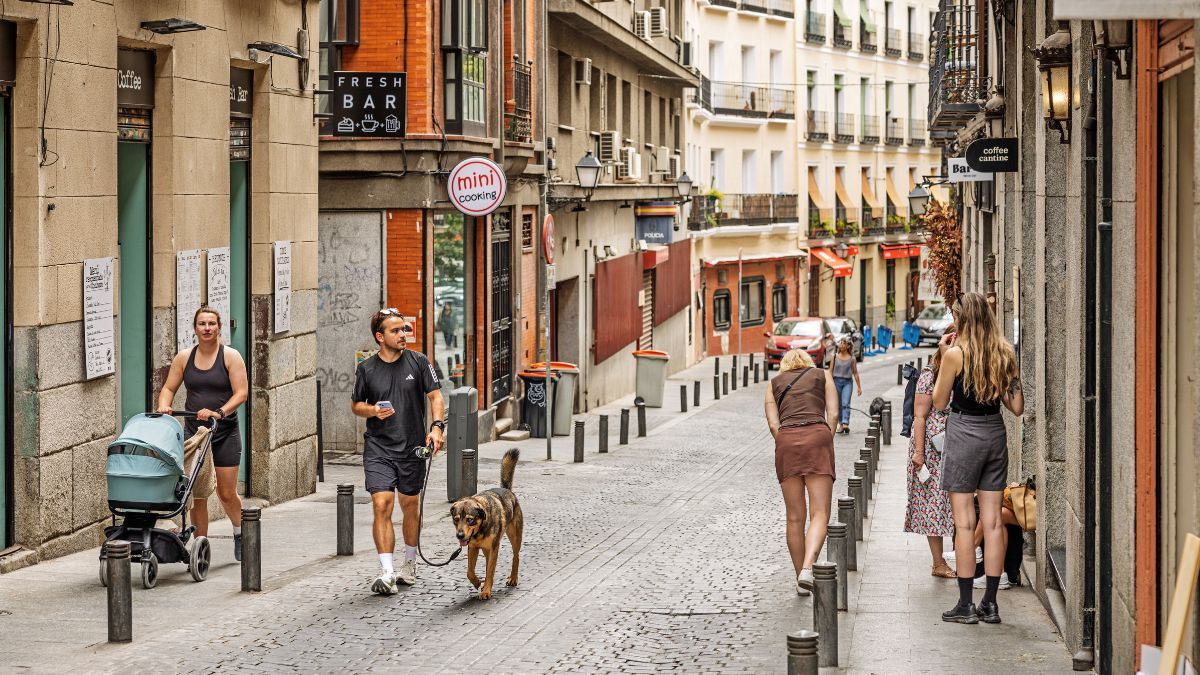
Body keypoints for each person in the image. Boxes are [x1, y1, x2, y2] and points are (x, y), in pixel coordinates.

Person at [932, 292, 1024, 625]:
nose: (954, 321)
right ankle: (991, 604)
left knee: (965, 523)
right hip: (994, 435)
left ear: (963, 319)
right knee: (994, 521)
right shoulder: (1005, 353)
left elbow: (940, 402)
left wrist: (944, 357)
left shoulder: (956, 354)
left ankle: (966, 605)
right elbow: (1017, 407)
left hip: (964, 436)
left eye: (955, 316)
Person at [351, 309, 446, 595]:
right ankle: (387, 571)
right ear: (380, 337)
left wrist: (437, 427)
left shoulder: (418, 362)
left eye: (403, 330)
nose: (403, 335)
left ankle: (410, 562)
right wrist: (372, 410)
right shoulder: (366, 369)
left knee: (409, 506)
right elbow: (356, 404)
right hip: (379, 447)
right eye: (395, 331)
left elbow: (436, 396)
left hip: (412, 447)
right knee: (381, 505)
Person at [157, 306, 249, 560]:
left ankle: (240, 532)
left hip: (224, 431)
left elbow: (241, 392)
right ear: (195, 328)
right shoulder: (184, 357)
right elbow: (168, 387)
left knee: (226, 492)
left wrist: (220, 411)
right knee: (198, 493)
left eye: (211, 323)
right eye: (202, 324)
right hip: (195, 433)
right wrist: (164, 405)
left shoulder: (230, 357)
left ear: (219, 327)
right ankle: (201, 547)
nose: (207, 328)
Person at [764, 348, 839, 596]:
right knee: (820, 513)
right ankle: (809, 566)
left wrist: (786, 440)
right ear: (808, 362)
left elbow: (774, 424)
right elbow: (834, 413)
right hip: (817, 437)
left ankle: (800, 579)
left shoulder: (773, 384)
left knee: (794, 518)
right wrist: (825, 437)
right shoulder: (822, 375)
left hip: (787, 442)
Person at [904, 326, 957, 578]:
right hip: (933, 448)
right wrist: (919, 453)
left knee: (956, 502)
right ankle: (938, 562)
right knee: (933, 502)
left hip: (958, 443)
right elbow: (920, 415)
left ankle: (961, 554)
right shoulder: (930, 374)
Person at [826, 337, 862, 434]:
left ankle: (846, 422)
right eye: (841, 343)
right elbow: (830, 371)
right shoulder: (835, 356)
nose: (841, 345)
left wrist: (859, 387)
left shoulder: (852, 358)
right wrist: (828, 383)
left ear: (848, 346)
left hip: (847, 382)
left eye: (844, 343)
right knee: (838, 404)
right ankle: (841, 424)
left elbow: (855, 373)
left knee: (845, 403)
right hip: (836, 382)